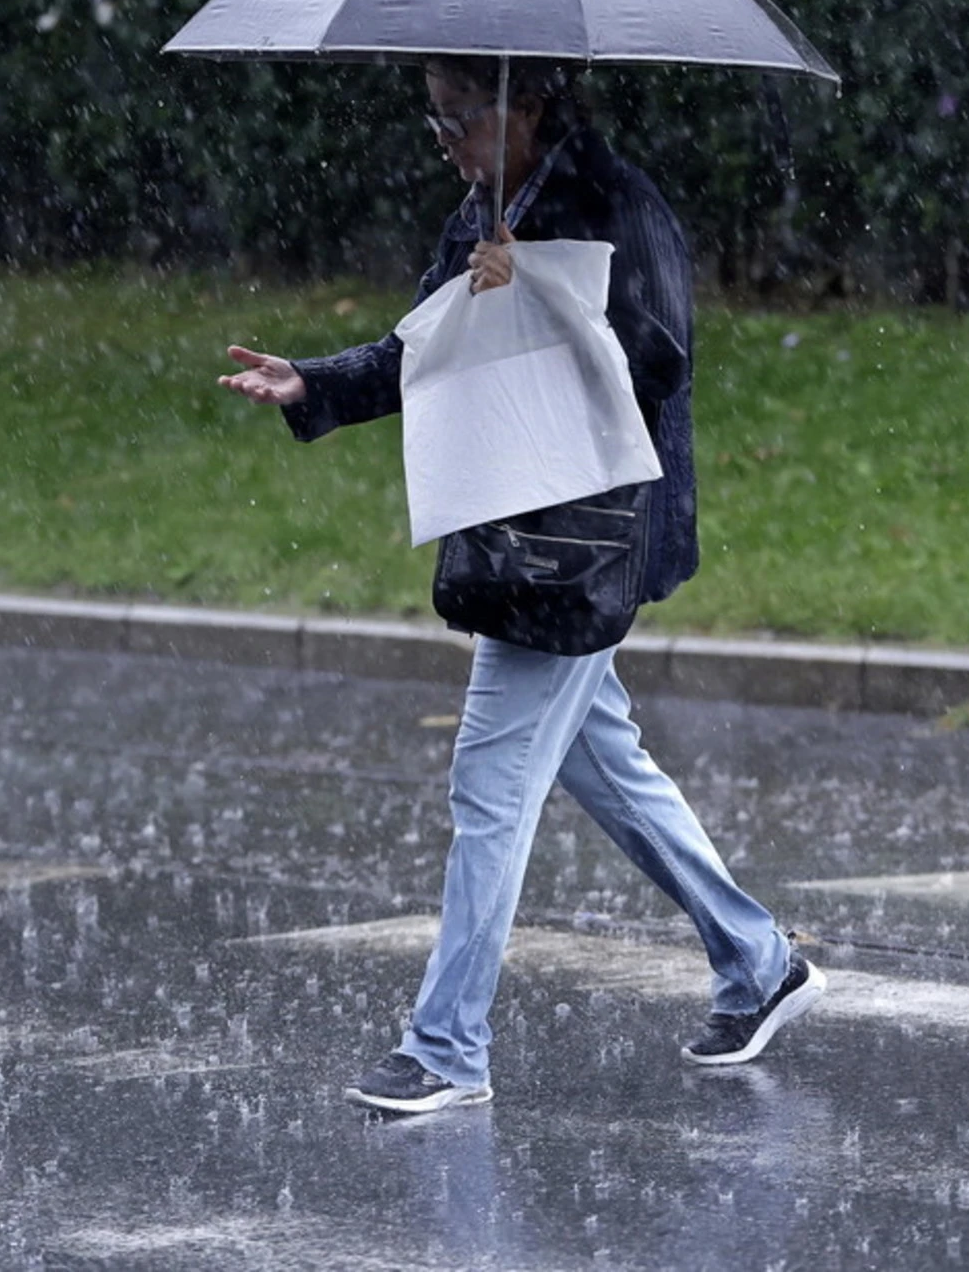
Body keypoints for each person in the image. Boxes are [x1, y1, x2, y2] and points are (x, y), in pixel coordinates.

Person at [218, 56, 824, 1114]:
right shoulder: (482, 208)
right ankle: (758, 961)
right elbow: (422, 349)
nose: (447, 143)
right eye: (435, 123)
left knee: (488, 786)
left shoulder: (617, 203)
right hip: (516, 538)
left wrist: (531, 293)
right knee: (606, 767)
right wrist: (313, 381)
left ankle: (447, 1046)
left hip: (584, 549)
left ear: (528, 105)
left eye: (459, 118)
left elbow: (658, 362)